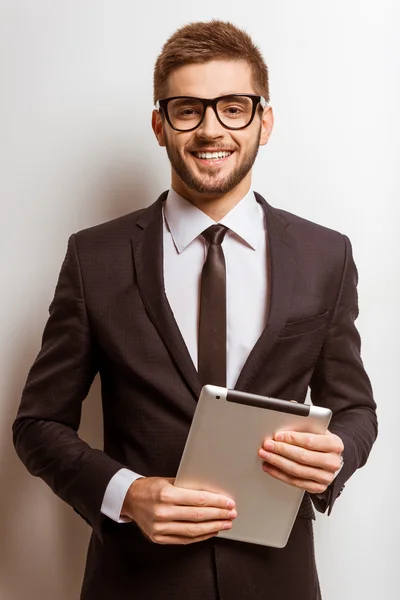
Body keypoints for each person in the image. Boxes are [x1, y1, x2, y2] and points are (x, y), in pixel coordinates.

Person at [12, 20, 377, 600]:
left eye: (233, 106)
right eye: (188, 109)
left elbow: (356, 410)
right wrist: (125, 493)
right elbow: (37, 425)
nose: (211, 129)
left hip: (277, 581)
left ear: (266, 120)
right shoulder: (95, 258)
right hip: (134, 581)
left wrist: (338, 455)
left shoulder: (325, 255)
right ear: (160, 125)